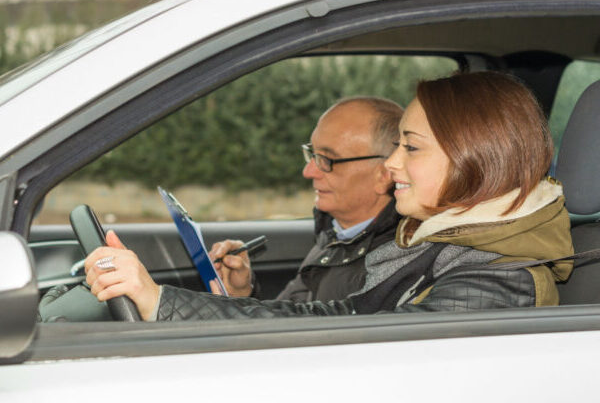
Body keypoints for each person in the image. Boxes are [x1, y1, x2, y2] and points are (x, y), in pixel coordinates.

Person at [85, 71, 574, 321]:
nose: (393, 163)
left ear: (475, 160)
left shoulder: (492, 286)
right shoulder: (440, 249)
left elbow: (351, 347)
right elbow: (336, 319)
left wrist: (159, 302)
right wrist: (164, 301)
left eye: (411, 147)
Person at [209, 97, 403, 301]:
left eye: (327, 159)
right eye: (312, 154)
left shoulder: (390, 264)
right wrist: (242, 294)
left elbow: (306, 330)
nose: (308, 171)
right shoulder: (335, 235)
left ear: (384, 175)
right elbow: (290, 320)